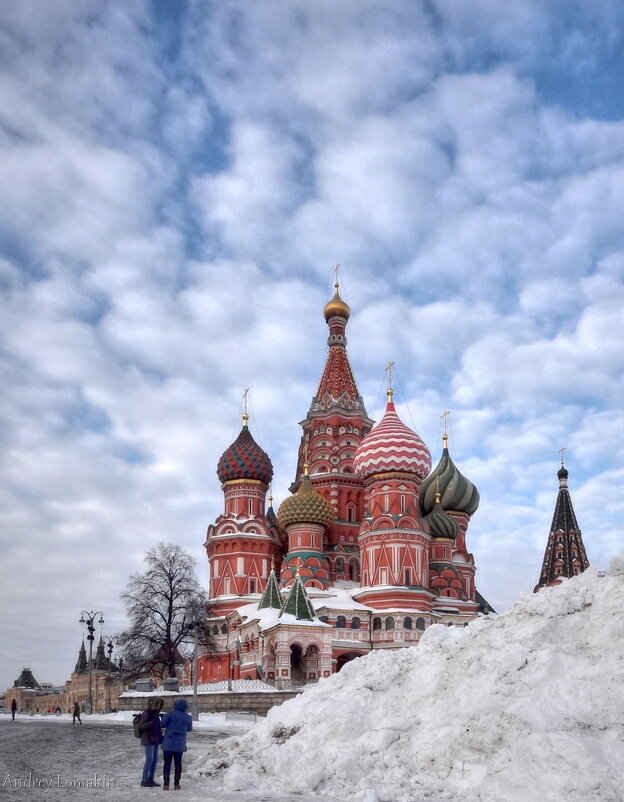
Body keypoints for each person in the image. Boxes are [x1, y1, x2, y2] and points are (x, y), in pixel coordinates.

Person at [160, 699, 193, 791]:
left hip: (168, 744)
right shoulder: (188, 717)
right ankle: (176, 784)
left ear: (175, 705)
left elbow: (162, 725)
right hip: (180, 745)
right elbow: (189, 729)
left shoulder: (170, 714)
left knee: (167, 763)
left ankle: (166, 784)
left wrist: (163, 718)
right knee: (178, 764)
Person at [138, 697, 164, 788]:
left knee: (155, 760)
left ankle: (150, 779)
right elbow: (141, 727)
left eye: (161, 705)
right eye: (158, 704)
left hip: (156, 740)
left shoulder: (156, 714)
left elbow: (158, 727)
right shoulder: (146, 714)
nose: (159, 706)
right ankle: (144, 780)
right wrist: (152, 723)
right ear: (153, 704)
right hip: (148, 740)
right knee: (149, 760)